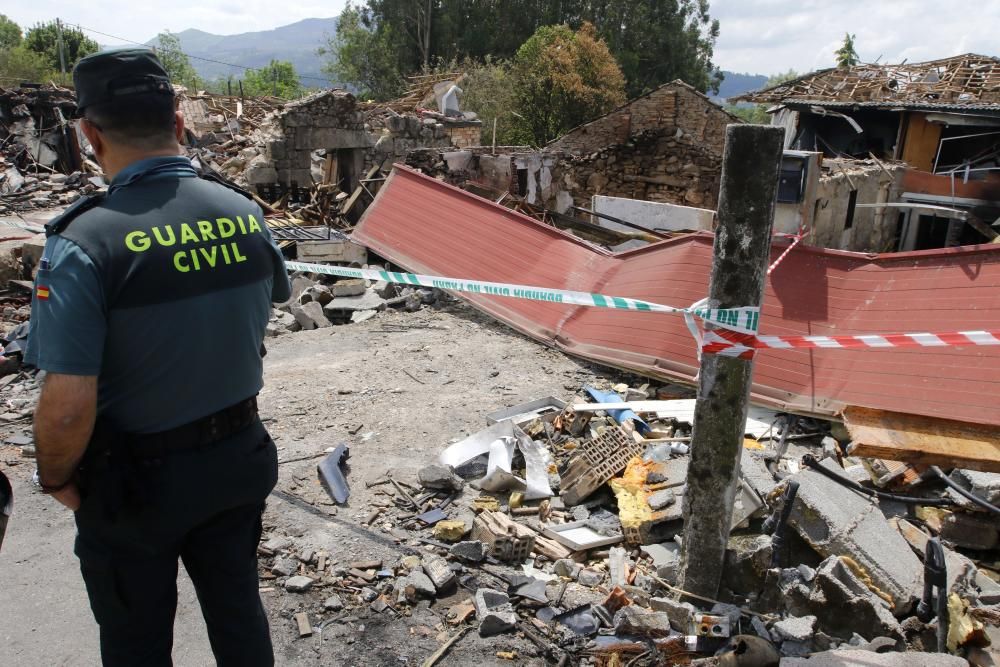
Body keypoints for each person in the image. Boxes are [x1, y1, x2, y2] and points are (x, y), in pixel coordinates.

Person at [24, 47, 291, 666]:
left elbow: (66, 407)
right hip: (238, 458)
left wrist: (56, 476)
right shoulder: (245, 215)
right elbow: (260, 312)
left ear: (89, 134)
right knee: (239, 615)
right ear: (177, 120)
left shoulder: (83, 241)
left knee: (135, 640)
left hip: (133, 485)